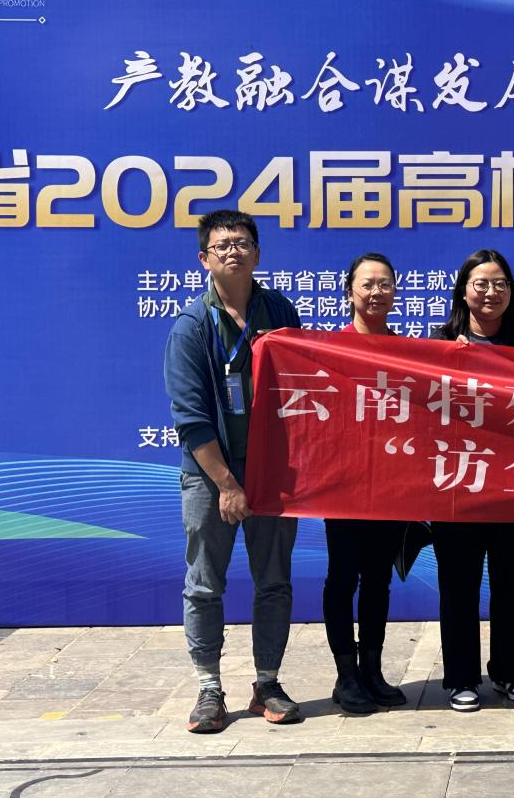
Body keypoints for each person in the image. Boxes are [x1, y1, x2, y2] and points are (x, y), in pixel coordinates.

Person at [164, 209, 302, 733]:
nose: (233, 252)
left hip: (272, 474)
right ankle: (208, 689)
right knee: (204, 585)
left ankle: (268, 682)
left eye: (242, 243)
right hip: (210, 476)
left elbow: (301, 391)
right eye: (222, 246)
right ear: (204, 258)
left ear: (257, 254)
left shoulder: (279, 312)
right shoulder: (192, 327)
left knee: (274, 581)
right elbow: (191, 418)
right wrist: (226, 484)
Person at [431, 249, 514, 712]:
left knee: (512, 584)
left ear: (511, 292)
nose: (491, 292)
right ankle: (461, 678)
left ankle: (510, 671)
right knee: (458, 585)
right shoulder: (440, 343)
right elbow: (423, 409)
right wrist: (449, 364)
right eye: (481, 284)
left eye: (500, 284)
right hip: (457, 483)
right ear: (464, 290)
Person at [323, 253, 408, 714]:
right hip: (343, 484)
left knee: (379, 578)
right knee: (343, 577)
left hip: (392, 484)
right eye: (368, 284)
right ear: (349, 291)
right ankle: (346, 674)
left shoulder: (409, 351)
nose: (377, 292)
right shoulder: (332, 348)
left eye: (385, 284)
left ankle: (372, 670)